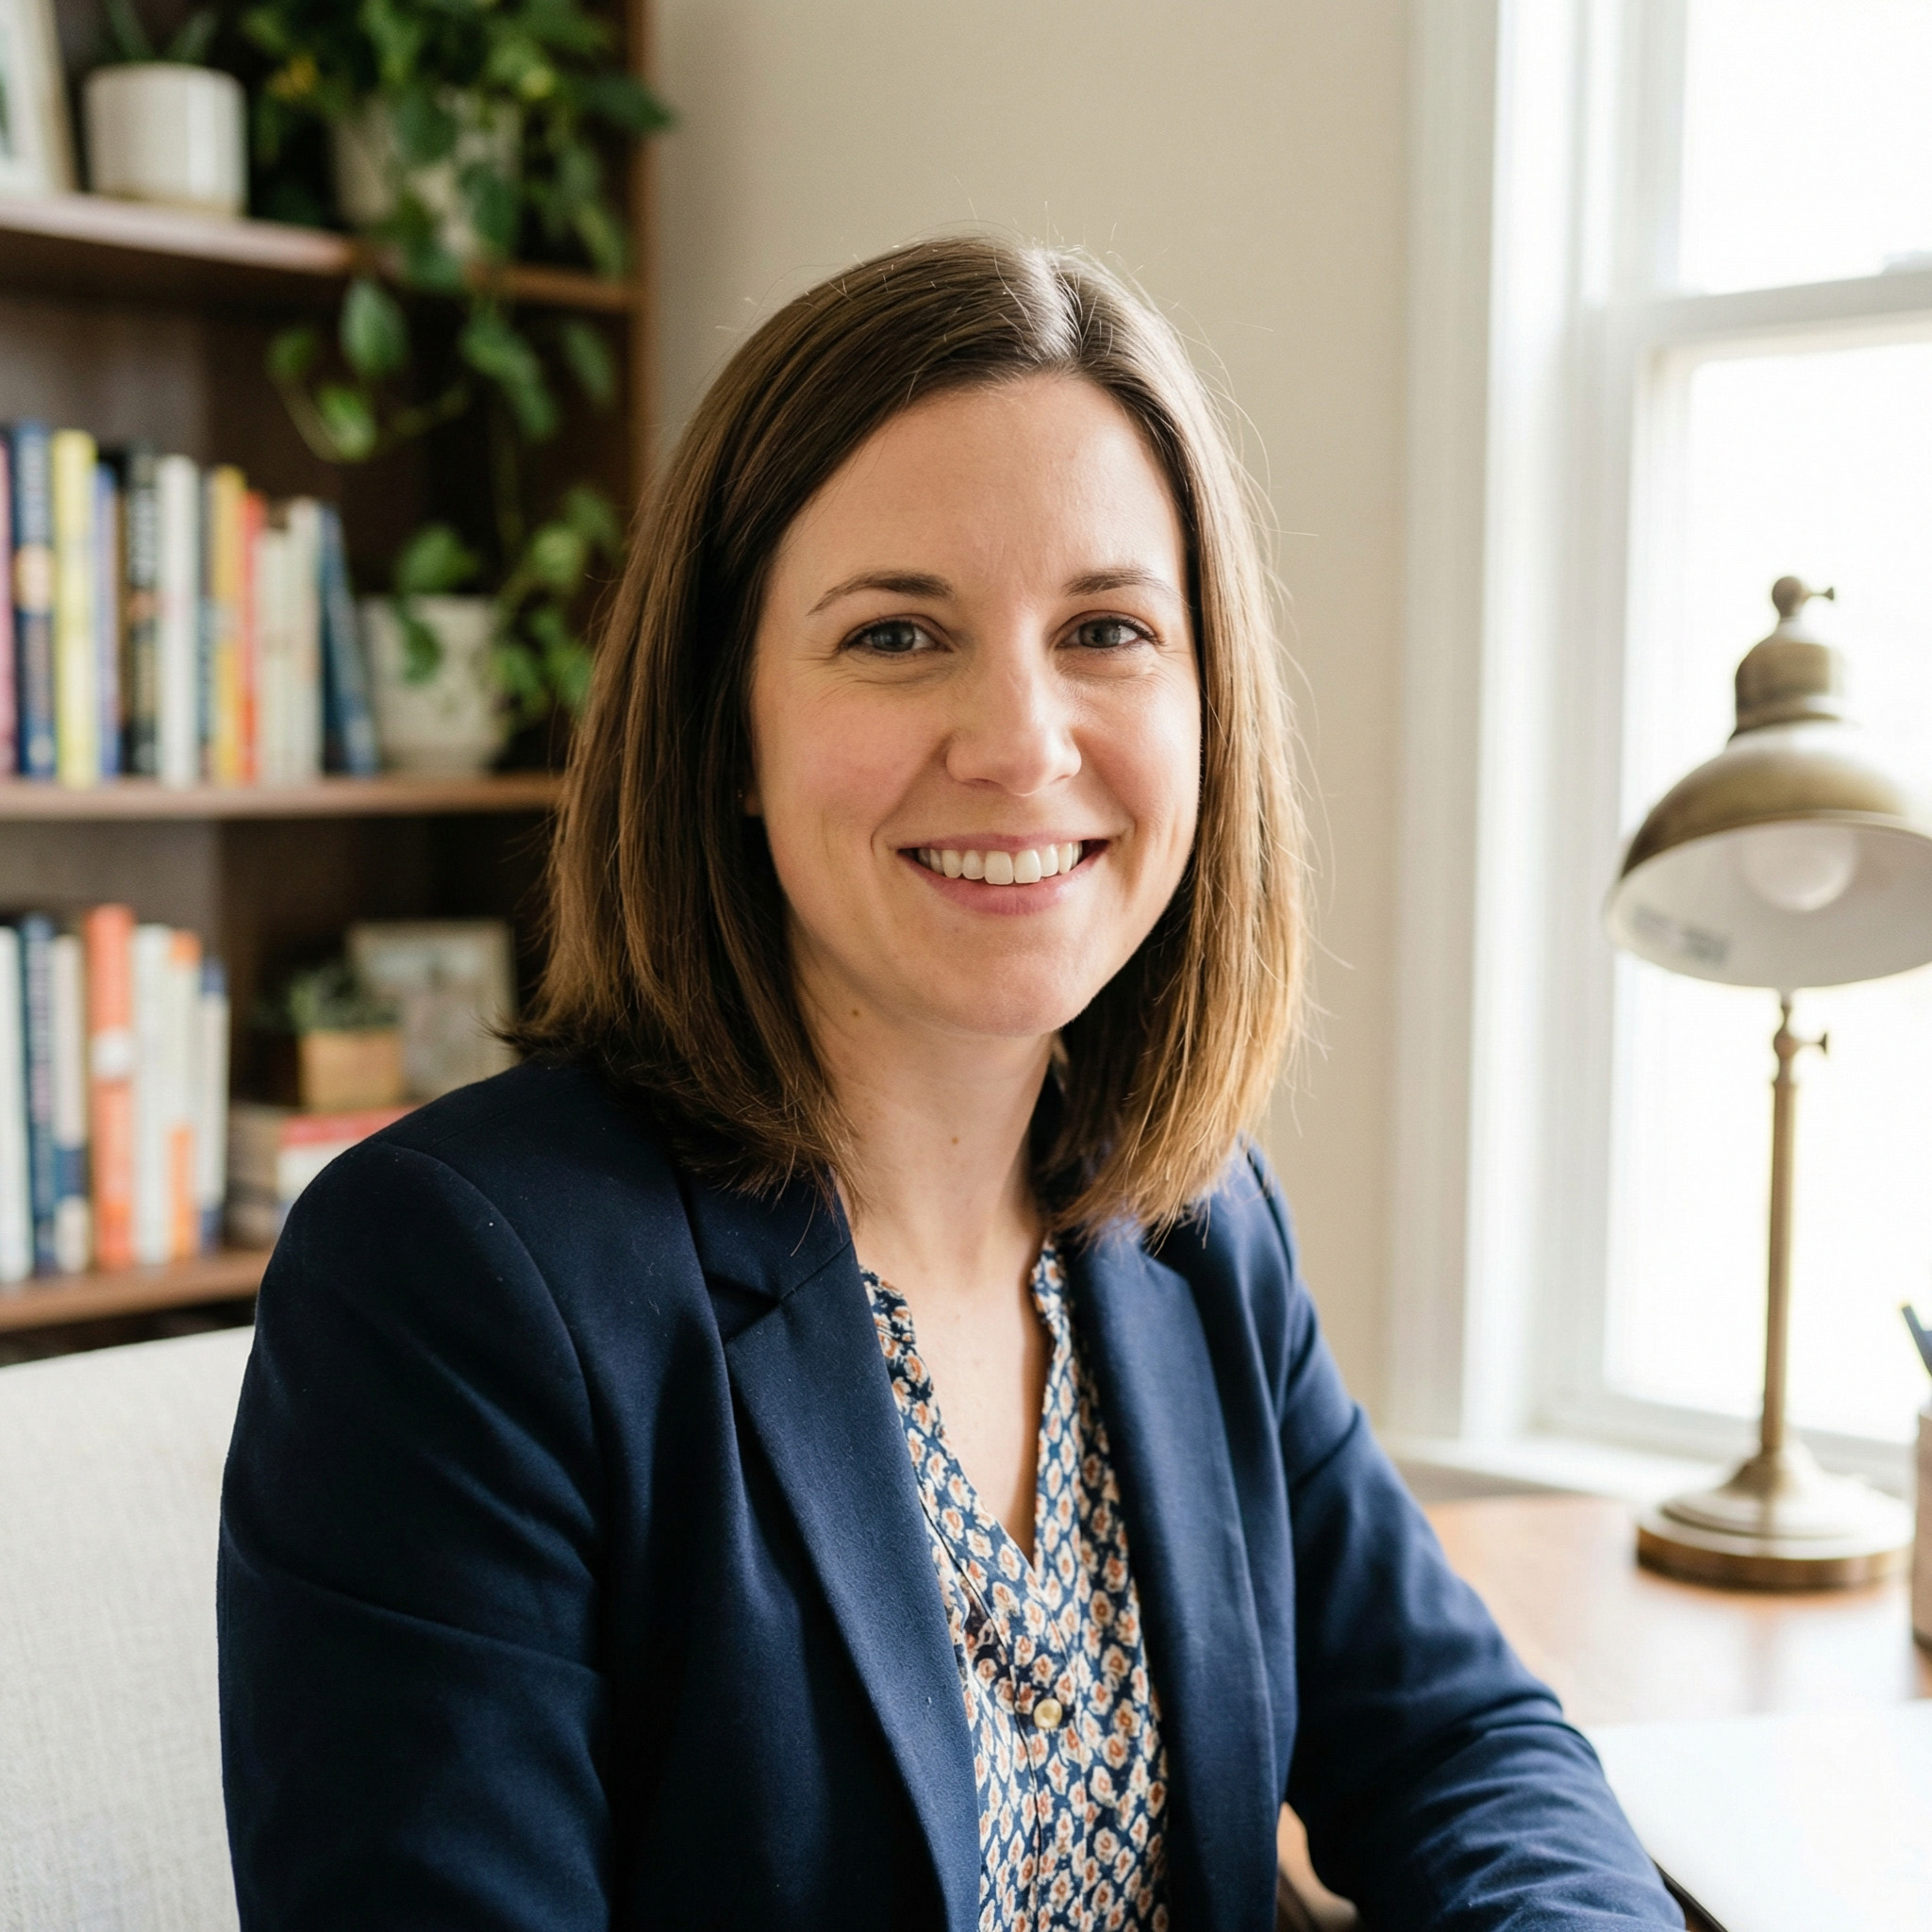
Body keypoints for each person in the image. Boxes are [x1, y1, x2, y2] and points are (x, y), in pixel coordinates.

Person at [218, 236, 1681, 1932]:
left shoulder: (1189, 1221)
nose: (1023, 740)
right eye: (900, 632)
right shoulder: (450, 1283)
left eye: (1110, 629)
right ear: (727, 735)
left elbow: (1461, 1748)